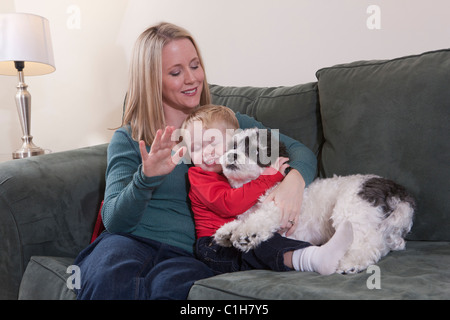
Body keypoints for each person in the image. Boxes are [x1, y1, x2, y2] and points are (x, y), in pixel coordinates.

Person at [74, 22, 318, 299]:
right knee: (109, 278)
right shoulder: (131, 137)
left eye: (195, 65)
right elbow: (115, 221)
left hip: (190, 253)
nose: (192, 79)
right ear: (152, 80)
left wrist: (294, 183)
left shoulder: (227, 123)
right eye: (176, 72)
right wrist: (146, 178)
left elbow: (300, 151)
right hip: (128, 242)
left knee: (173, 290)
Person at [182, 105, 354, 275]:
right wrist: (270, 177)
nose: (206, 153)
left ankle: (325, 250)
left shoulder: (237, 170)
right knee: (259, 243)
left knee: (264, 238)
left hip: (239, 236)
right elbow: (230, 204)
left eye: (212, 142)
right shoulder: (199, 177)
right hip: (215, 247)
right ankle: (311, 258)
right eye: (196, 148)